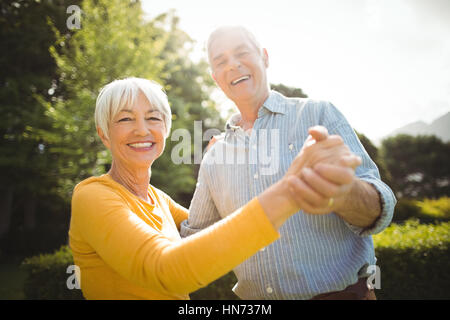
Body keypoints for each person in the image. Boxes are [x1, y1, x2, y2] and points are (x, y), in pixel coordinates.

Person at [68, 77, 360, 300]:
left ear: (166, 130)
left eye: (153, 117)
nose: (142, 130)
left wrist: (220, 167)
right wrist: (290, 191)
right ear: (104, 134)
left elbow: (223, 234)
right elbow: (166, 270)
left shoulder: (160, 200)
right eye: (125, 119)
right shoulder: (92, 196)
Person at [179, 26, 397, 300]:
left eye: (241, 53)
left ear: (265, 57)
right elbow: (192, 244)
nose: (232, 64)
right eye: (220, 61)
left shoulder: (318, 114)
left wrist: (344, 193)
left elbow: (381, 210)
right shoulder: (214, 156)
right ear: (215, 78)